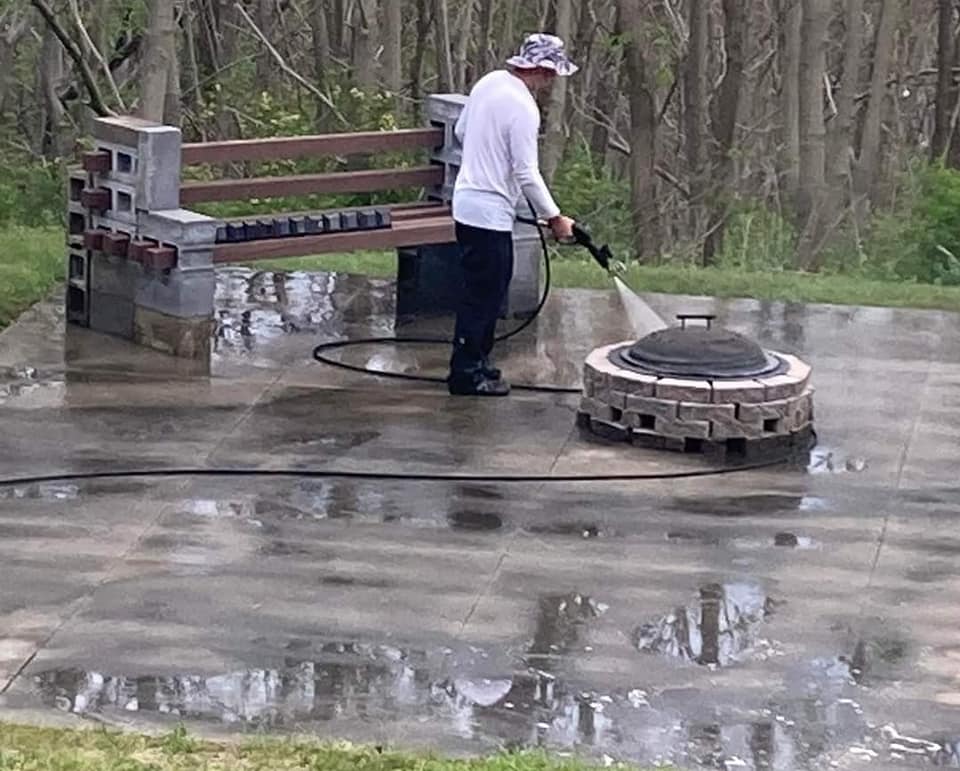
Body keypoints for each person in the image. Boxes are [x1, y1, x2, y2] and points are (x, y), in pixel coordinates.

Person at [447, 33, 578, 397]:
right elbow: (526, 172)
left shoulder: (488, 83)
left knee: (486, 290)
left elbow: (460, 133)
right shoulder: (523, 107)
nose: (551, 83)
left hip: (468, 203)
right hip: (488, 212)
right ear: (537, 68)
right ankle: (466, 374)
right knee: (483, 295)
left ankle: (477, 362)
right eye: (550, 74)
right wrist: (555, 217)